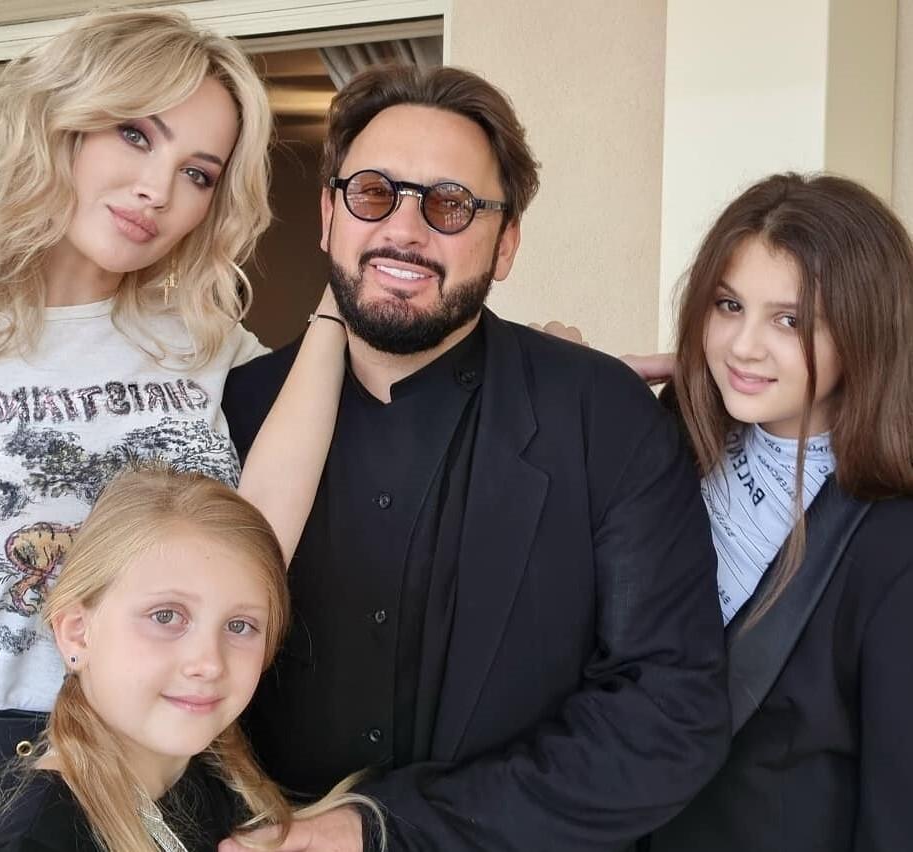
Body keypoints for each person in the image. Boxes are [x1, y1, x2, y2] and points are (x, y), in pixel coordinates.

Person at [218, 65, 731, 852]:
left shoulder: (601, 416)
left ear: (506, 244)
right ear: (328, 216)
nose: (404, 230)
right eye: (373, 193)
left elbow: (667, 711)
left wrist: (380, 831)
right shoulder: (231, 413)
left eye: (451, 203)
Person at [0, 9, 347, 851]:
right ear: (57, 121)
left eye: (197, 173)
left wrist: (543, 374)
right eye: (134, 134)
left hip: (169, 789)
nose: (159, 190)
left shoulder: (214, 350)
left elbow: (276, 530)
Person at [624, 173, 913, 851]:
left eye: (790, 320)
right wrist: (591, 401)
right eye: (728, 305)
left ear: (866, 331)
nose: (743, 346)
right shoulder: (671, 440)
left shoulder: (892, 538)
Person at [0, 466, 380, 851]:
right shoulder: (37, 839)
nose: (210, 663)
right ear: (77, 633)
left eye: (239, 625)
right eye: (166, 616)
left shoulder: (212, 777)